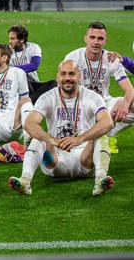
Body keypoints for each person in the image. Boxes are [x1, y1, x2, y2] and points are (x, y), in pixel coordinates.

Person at [8, 60, 115, 196]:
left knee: (100, 136)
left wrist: (80, 139)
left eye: (71, 74)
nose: (67, 78)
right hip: (54, 163)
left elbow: (107, 122)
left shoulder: (92, 97)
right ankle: (25, 181)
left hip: (84, 161)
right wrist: (52, 140)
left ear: (79, 76)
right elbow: (29, 124)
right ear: (58, 77)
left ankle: (100, 179)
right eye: (63, 74)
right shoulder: (47, 97)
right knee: (38, 137)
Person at [64, 22, 134, 154]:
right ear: (85, 38)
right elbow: (62, 89)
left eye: (100, 39)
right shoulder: (73, 58)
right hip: (79, 105)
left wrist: (125, 104)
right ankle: (97, 135)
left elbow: (130, 90)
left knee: (131, 103)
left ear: (105, 41)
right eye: (92, 37)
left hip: (104, 104)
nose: (96, 42)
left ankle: (106, 134)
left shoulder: (111, 58)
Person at [8, 25, 57, 104]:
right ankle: (33, 103)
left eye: (12, 38)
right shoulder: (7, 51)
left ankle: (27, 102)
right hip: (16, 87)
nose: (9, 41)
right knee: (22, 76)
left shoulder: (33, 47)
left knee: (54, 83)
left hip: (33, 84)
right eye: (9, 38)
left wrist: (13, 68)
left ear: (22, 39)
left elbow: (34, 65)